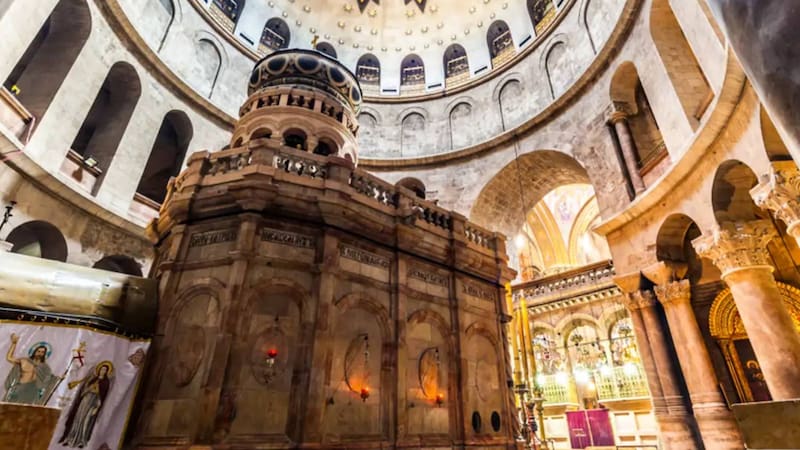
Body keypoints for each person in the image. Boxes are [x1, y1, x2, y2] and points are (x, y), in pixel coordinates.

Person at [59, 361, 113, 448]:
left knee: (86, 422)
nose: (102, 371)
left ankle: (81, 440)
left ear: (107, 372)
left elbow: (102, 396)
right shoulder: (92, 379)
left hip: (93, 403)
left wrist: (97, 403)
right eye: (102, 369)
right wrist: (89, 389)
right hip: (84, 401)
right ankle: (70, 438)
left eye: (104, 370)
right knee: (77, 419)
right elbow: (83, 391)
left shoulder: (105, 382)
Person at [4, 333, 60, 405]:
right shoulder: (24, 361)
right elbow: (9, 358)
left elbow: (48, 379)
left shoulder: (45, 367)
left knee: (25, 412)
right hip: (20, 389)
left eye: (42, 352)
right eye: (38, 351)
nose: (40, 354)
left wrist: (57, 378)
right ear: (34, 351)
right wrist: (14, 344)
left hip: (32, 392)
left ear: (45, 354)